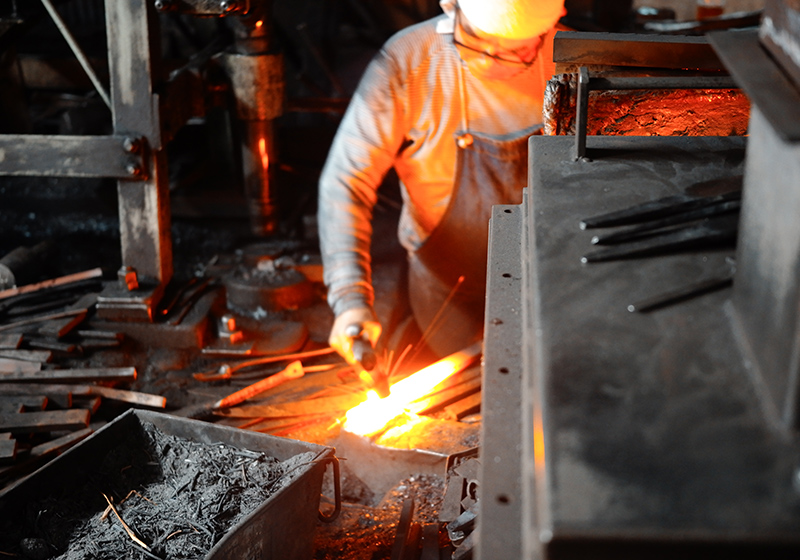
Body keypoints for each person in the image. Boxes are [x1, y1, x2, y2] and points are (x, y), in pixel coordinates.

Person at [318, 0, 567, 368]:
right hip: (447, 289)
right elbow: (347, 180)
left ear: (549, 26)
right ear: (453, 8)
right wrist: (350, 298)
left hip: (551, 284)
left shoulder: (571, 61)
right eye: (477, 39)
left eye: (516, 51)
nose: (489, 58)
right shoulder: (410, 61)